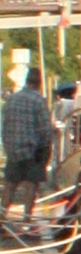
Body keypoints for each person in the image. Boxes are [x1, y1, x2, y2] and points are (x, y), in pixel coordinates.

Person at [2, 66, 56, 236]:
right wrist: (49, 142)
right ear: (39, 83)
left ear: (26, 80)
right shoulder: (39, 101)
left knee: (10, 185)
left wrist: (8, 145)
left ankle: (2, 217)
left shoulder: (11, 99)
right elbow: (45, 129)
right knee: (31, 185)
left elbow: (4, 125)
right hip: (32, 150)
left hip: (13, 149)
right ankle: (26, 220)